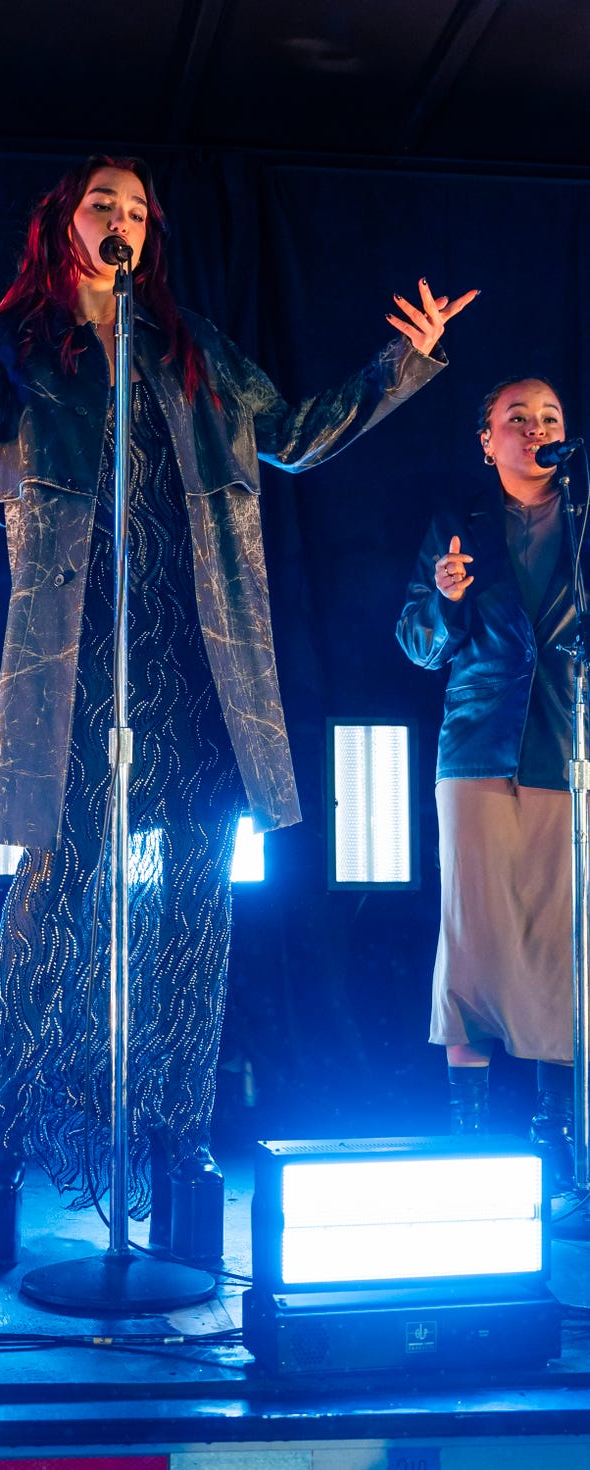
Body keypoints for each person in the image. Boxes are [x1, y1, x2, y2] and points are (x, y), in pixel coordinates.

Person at [0, 154, 477, 1265]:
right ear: (64, 223)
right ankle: (4, 1149)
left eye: (139, 209)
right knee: (49, 909)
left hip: (198, 662)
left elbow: (294, 432)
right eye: (102, 205)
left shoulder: (191, 342)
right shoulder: (14, 344)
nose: (123, 221)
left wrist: (407, 361)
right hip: (73, 660)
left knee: (196, 905)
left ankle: (179, 1144)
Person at [396, 376, 578, 1189]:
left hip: (564, 749)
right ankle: (469, 1147)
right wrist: (441, 601)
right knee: (471, 947)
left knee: (557, 949)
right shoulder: (457, 525)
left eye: (549, 419)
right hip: (475, 749)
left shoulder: (584, 520)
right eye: (517, 418)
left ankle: (556, 1145)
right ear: (487, 439)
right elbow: (418, 644)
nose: (535, 428)